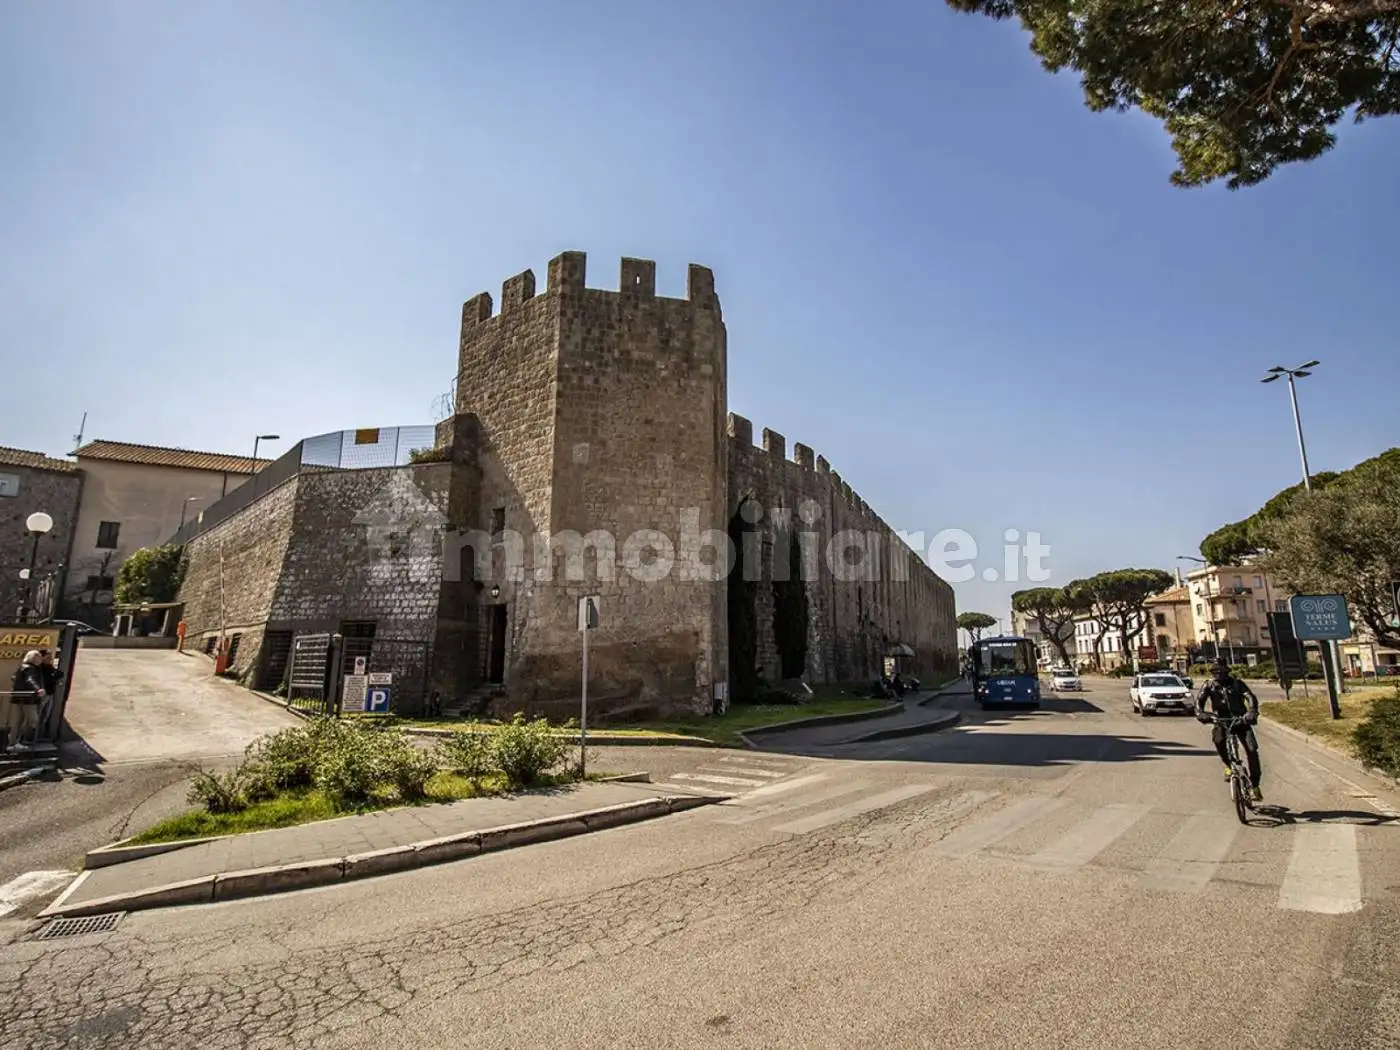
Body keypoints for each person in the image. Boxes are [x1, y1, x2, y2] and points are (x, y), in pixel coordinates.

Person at [1195, 659, 1263, 801]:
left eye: (1223, 672)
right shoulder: (1209, 685)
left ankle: (1255, 785)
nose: (1220, 675)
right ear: (1213, 673)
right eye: (1216, 672)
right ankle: (1228, 765)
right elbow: (1199, 701)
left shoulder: (1237, 684)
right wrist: (1200, 713)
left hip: (1240, 720)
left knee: (1251, 750)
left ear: (1228, 672)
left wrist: (1251, 711)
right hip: (1221, 720)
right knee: (1218, 740)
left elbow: (1250, 696)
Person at [6, 650, 47, 752]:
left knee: (18, 721)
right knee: (33, 720)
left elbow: (13, 677)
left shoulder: (23, 667)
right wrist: (38, 689)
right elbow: (30, 680)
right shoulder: (29, 668)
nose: (41, 659)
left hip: (19, 698)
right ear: (34, 658)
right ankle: (16, 741)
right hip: (28, 699)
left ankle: (13, 743)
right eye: (39, 657)